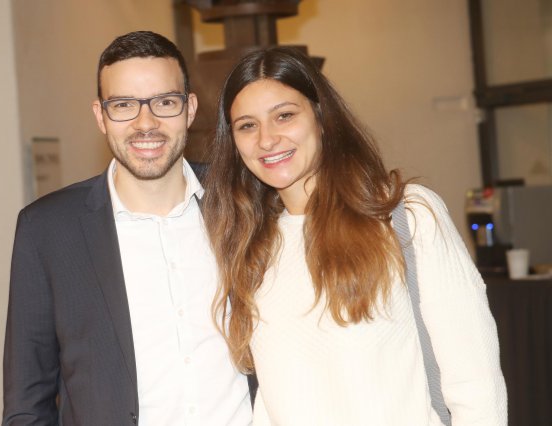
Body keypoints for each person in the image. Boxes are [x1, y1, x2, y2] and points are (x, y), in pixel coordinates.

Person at [202, 46, 507, 426]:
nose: (267, 139)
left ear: (321, 117)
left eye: (284, 116)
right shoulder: (249, 246)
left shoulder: (405, 215)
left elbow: (476, 384)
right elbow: (273, 398)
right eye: (247, 125)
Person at [3, 31, 254, 425]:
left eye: (165, 102)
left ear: (189, 109)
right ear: (100, 116)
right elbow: (27, 404)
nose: (146, 123)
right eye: (123, 105)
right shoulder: (48, 230)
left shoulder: (245, 203)